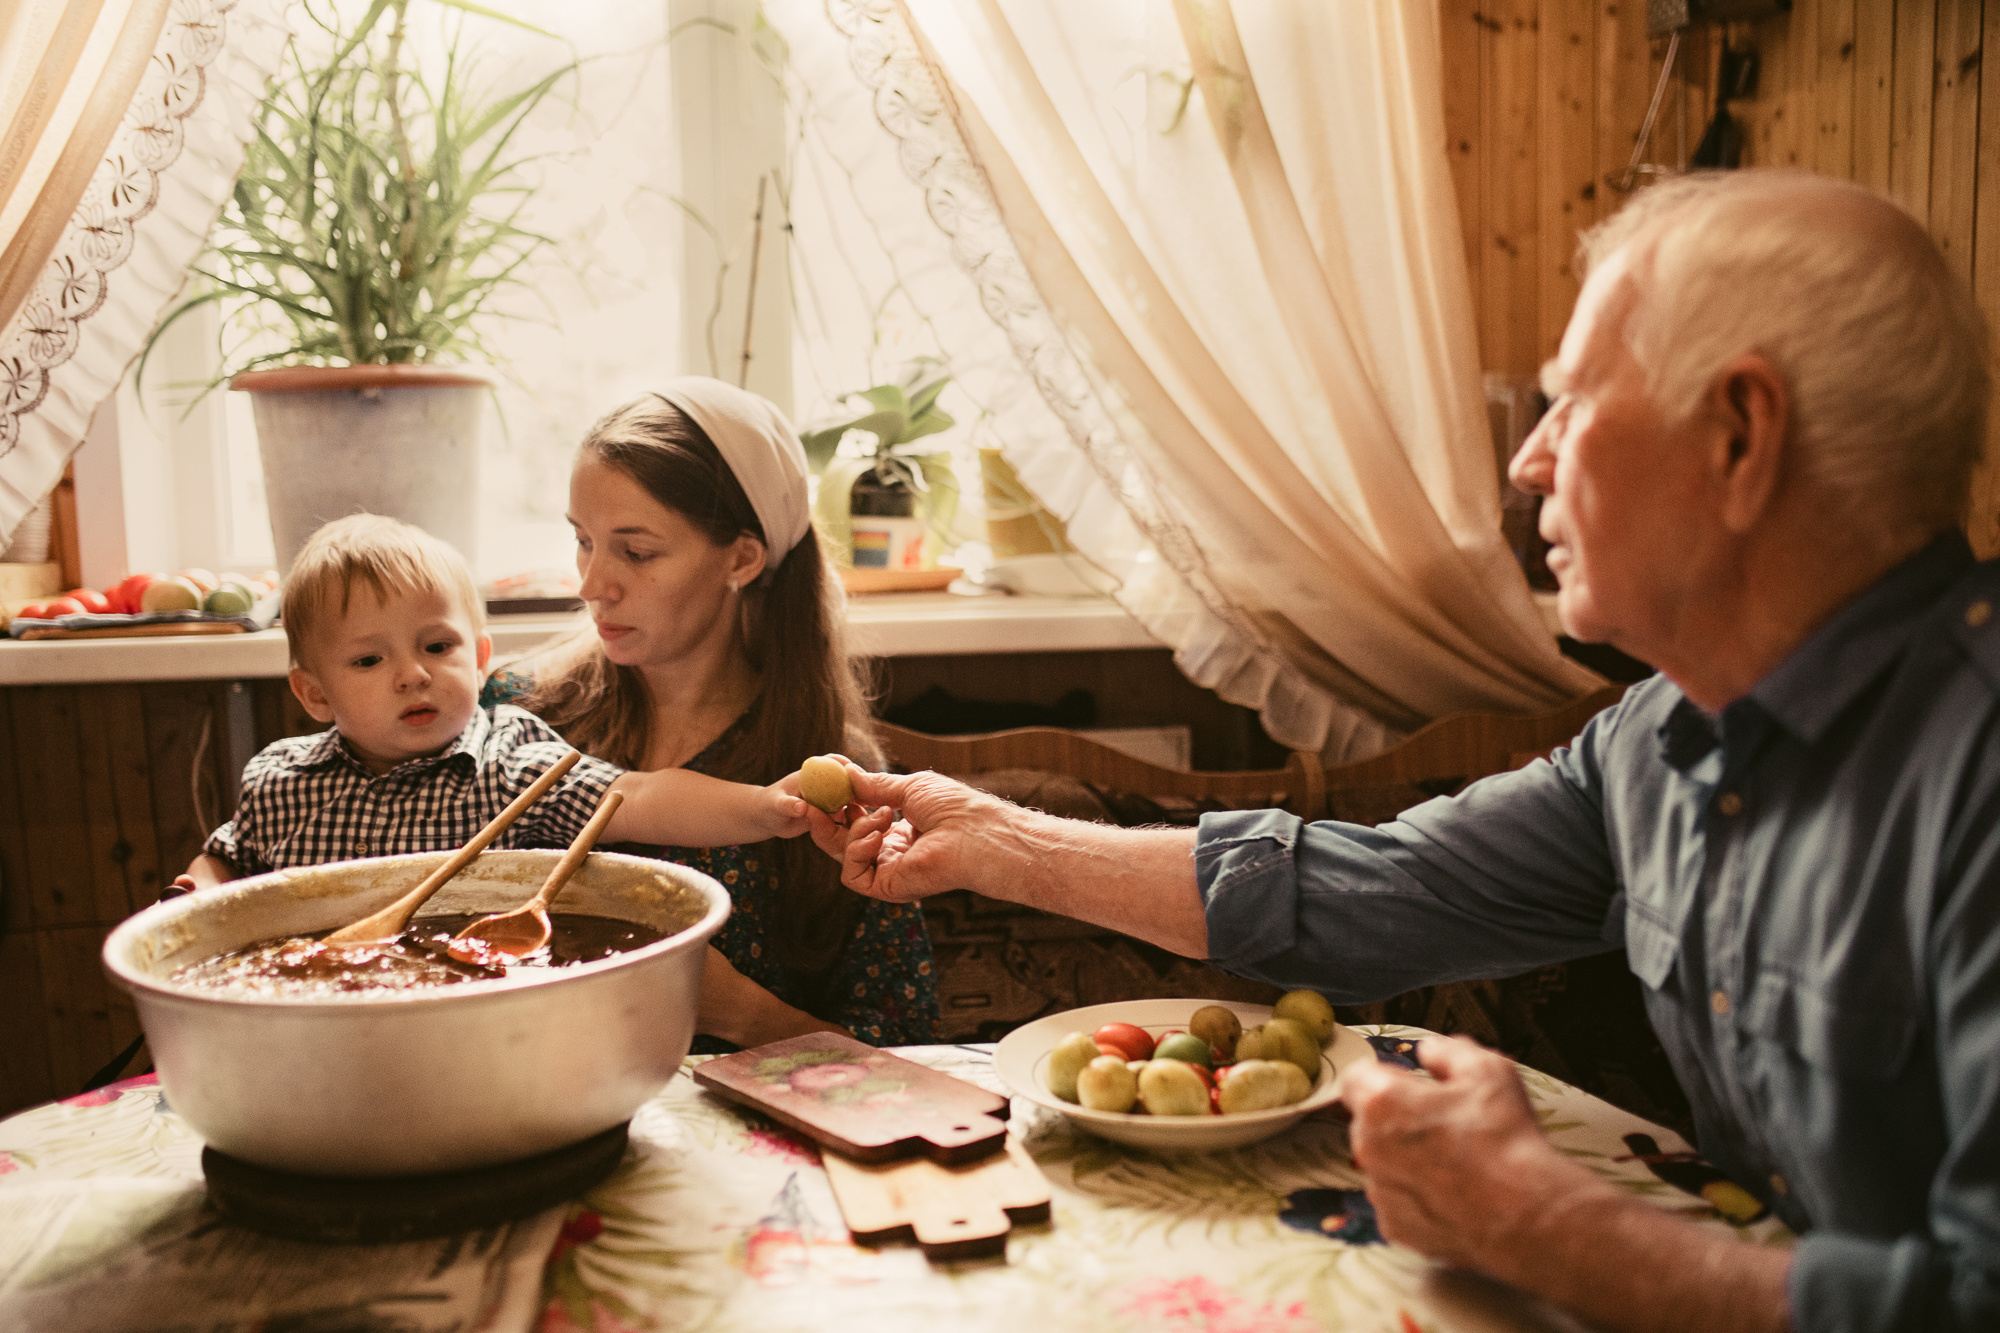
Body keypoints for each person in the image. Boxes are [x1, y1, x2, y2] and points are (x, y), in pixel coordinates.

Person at [806, 171, 2000, 1333]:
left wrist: (1548, 1228)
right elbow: (1374, 893)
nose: (1529, 462)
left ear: (1738, 437)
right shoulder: (1654, 741)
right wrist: (998, 841)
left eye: (1571, 405)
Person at [483, 379, 943, 1052]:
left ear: (742, 558)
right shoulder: (519, 712)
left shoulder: (828, 784)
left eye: (636, 551)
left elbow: (908, 1051)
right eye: (583, 540)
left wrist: (741, 1014)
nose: (591, 584)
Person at [176, 514, 808, 890]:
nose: (413, 675)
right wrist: (195, 889)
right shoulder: (279, 781)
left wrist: (764, 806)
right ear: (315, 693)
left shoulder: (513, 765)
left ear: (480, 661)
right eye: (369, 660)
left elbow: (636, 797)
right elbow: (230, 858)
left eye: (437, 645)